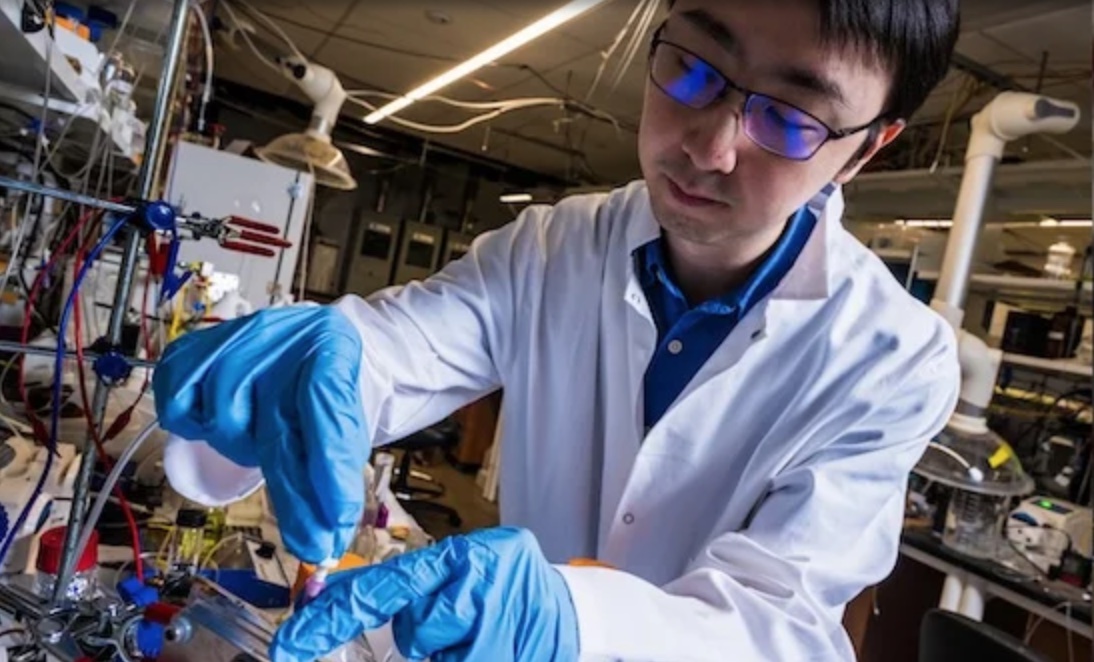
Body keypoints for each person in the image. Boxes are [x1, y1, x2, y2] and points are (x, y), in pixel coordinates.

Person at [153, 0, 963, 660]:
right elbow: (396, 352)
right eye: (693, 68)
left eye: (790, 119)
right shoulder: (551, 248)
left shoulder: (892, 358)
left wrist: (579, 619)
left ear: (863, 152)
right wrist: (311, 369)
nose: (711, 148)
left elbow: (780, 621)